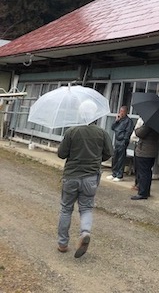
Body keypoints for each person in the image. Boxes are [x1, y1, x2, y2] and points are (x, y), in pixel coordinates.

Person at [57, 100, 113, 258]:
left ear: (80, 114)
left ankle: (62, 243)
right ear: (95, 115)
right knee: (86, 208)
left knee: (66, 209)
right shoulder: (102, 133)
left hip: (71, 176)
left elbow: (61, 154)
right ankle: (85, 232)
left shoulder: (72, 132)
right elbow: (109, 153)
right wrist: (96, 158)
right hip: (91, 177)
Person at [130, 123, 159, 200]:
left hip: (144, 151)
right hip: (152, 151)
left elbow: (139, 133)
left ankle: (142, 193)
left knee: (143, 173)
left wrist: (137, 128)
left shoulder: (149, 124)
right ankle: (146, 191)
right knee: (148, 172)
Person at [107, 105, 134, 182]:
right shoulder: (119, 120)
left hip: (122, 141)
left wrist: (125, 140)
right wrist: (116, 120)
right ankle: (114, 173)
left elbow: (128, 131)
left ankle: (119, 175)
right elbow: (112, 127)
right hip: (117, 140)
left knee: (121, 159)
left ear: (126, 112)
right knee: (115, 157)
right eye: (120, 111)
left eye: (123, 111)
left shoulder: (128, 121)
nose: (121, 113)